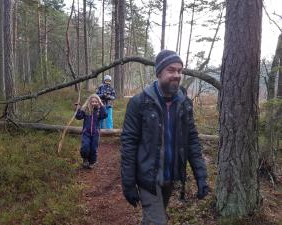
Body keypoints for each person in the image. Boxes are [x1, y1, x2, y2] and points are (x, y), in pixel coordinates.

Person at [121, 50, 209, 225]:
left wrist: (201, 176)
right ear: (159, 72)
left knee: (154, 218)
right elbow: (128, 144)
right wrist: (128, 183)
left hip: (170, 176)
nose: (176, 75)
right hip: (147, 178)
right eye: (171, 70)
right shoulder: (140, 103)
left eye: (179, 71)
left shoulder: (184, 103)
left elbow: (192, 140)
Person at [75, 94, 107, 169]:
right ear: (89, 102)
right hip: (86, 132)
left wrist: (101, 105)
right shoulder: (86, 110)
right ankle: (85, 159)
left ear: (98, 102)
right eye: (92, 101)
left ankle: (92, 162)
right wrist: (80, 108)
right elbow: (78, 117)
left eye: (96, 101)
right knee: (85, 147)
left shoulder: (99, 111)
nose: (94, 103)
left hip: (96, 133)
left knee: (93, 148)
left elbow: (105, 115)